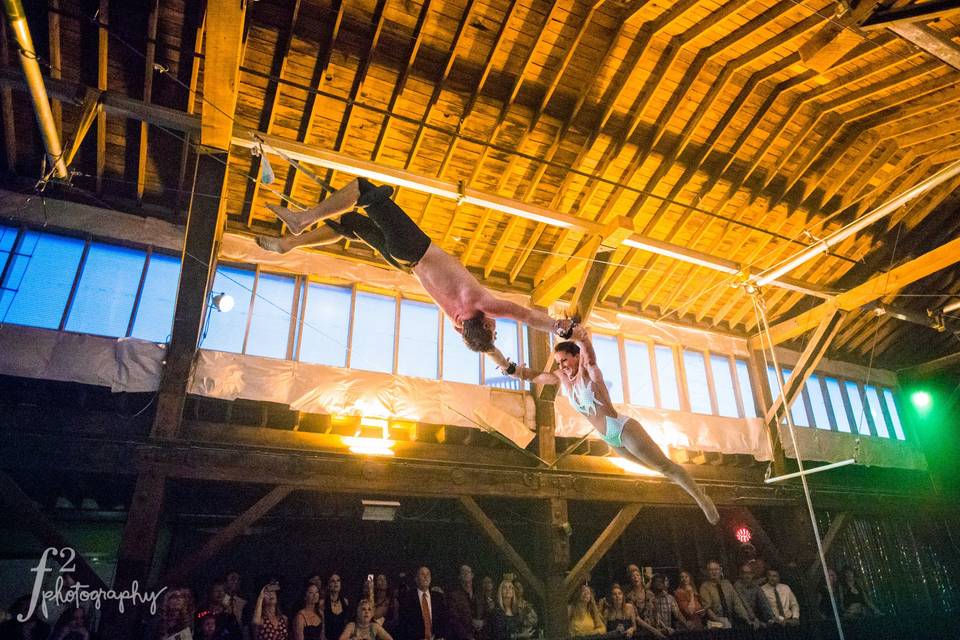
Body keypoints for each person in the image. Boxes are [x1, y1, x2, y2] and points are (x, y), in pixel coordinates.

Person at [259, 178, 578, 353]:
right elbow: (477, 341)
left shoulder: (482, 304)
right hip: (402, 261)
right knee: (350, 222)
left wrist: (560, 328)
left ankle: (303, 220)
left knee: (364, 191)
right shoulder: (456, 320)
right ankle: (290, 244)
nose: (496, 324)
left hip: (414, 249)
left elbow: (524, 315)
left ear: (484, 322)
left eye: (492, 328)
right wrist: (494, 354)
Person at [498, 327, 718, 523]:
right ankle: (694, 491)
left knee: (664, 466)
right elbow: (537, 376)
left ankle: (702, 499)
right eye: (558, 362)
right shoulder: (563, 378)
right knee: (658, 471)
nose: (562, 366)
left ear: (576, 357)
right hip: (609, 439)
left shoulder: (589, 372)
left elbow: (590, 358)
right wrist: (512, 369)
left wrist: (581, 339)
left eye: (565, 360)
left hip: (622, 428)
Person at [698, 561, 754, 630]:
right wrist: (719, 620)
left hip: (731, 620)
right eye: (711, 570)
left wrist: (747, 619)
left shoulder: (727, 583)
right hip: (716, 623)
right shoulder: (704, 587)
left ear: (720, 570)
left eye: (716, 569)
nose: (714, 572)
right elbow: (707, 608)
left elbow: (737, 603)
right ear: (707, 572)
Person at [398, 566, 446, 640]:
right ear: (416, 579)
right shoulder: (407, 598)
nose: (426, 577)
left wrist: (440, 636)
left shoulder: (438, 597)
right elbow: (403, 623)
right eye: (422, 574)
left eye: (428, 574)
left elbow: (443, 620)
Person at [447, 565, 483, 640]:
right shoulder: (454, 596)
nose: (466, 574)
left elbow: (487, 613)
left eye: (468, 572)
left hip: (481, 635)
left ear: (472, 575)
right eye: (463, 572)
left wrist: (483, 622)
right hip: (462, 636)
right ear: (459, 576)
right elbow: (453, 619)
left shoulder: (480, 595)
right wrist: (467, 636)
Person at [733, 563, 773, 627]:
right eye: (744, 573)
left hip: (753, 619)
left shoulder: (755, 586)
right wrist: (754, 619)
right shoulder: (737, 585)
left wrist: (771, 618)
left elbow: (764, 602)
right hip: (741, 619)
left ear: (753, 574)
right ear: (741, 575)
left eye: (749, 573)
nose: (747, 575)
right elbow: (744, 605)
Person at [324, 574, 351, 640]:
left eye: (338, 580)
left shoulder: (345, 601)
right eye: (333, 581)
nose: (336, 583)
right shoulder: (323, 603)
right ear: (328, 585)